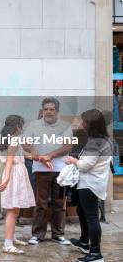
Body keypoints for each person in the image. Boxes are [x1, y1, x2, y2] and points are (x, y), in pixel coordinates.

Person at [22, 97, 73, 246]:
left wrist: (50, 155)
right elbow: (25, 143)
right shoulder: (34, 125)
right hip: (40, 170)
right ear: (42, 110)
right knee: (41, 203)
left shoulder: (65, 126)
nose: (48, 112)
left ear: (57, 111)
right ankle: (37, 234)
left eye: (52, 109)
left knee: (58, 203)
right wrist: (33, 150)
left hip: (60, 170)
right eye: (46, 109)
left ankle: (58, 234)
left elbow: (68, 147)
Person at [65, 109, 113, 262]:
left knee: (92, 218)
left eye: (84, 121)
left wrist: (73, 161)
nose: (82, 124)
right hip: (92, 182)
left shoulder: (95, 142)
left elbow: (86, 165)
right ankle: (84, 241)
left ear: (92, 124)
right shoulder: (103, 139)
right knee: (81, 210)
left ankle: (95, 253)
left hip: (90, 184)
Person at [0, 115, 36, 255]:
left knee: (15, 208)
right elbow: (9, 161)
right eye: (22, 125)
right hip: (14, 174)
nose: (23, 128)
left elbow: (23, 155)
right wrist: (7, 178)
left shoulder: (12, 139)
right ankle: (7, 244)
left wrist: (42, 158)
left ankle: (12, 238)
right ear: (17, 127)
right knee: (13, 211)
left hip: (16, 173)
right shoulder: (13, 140)